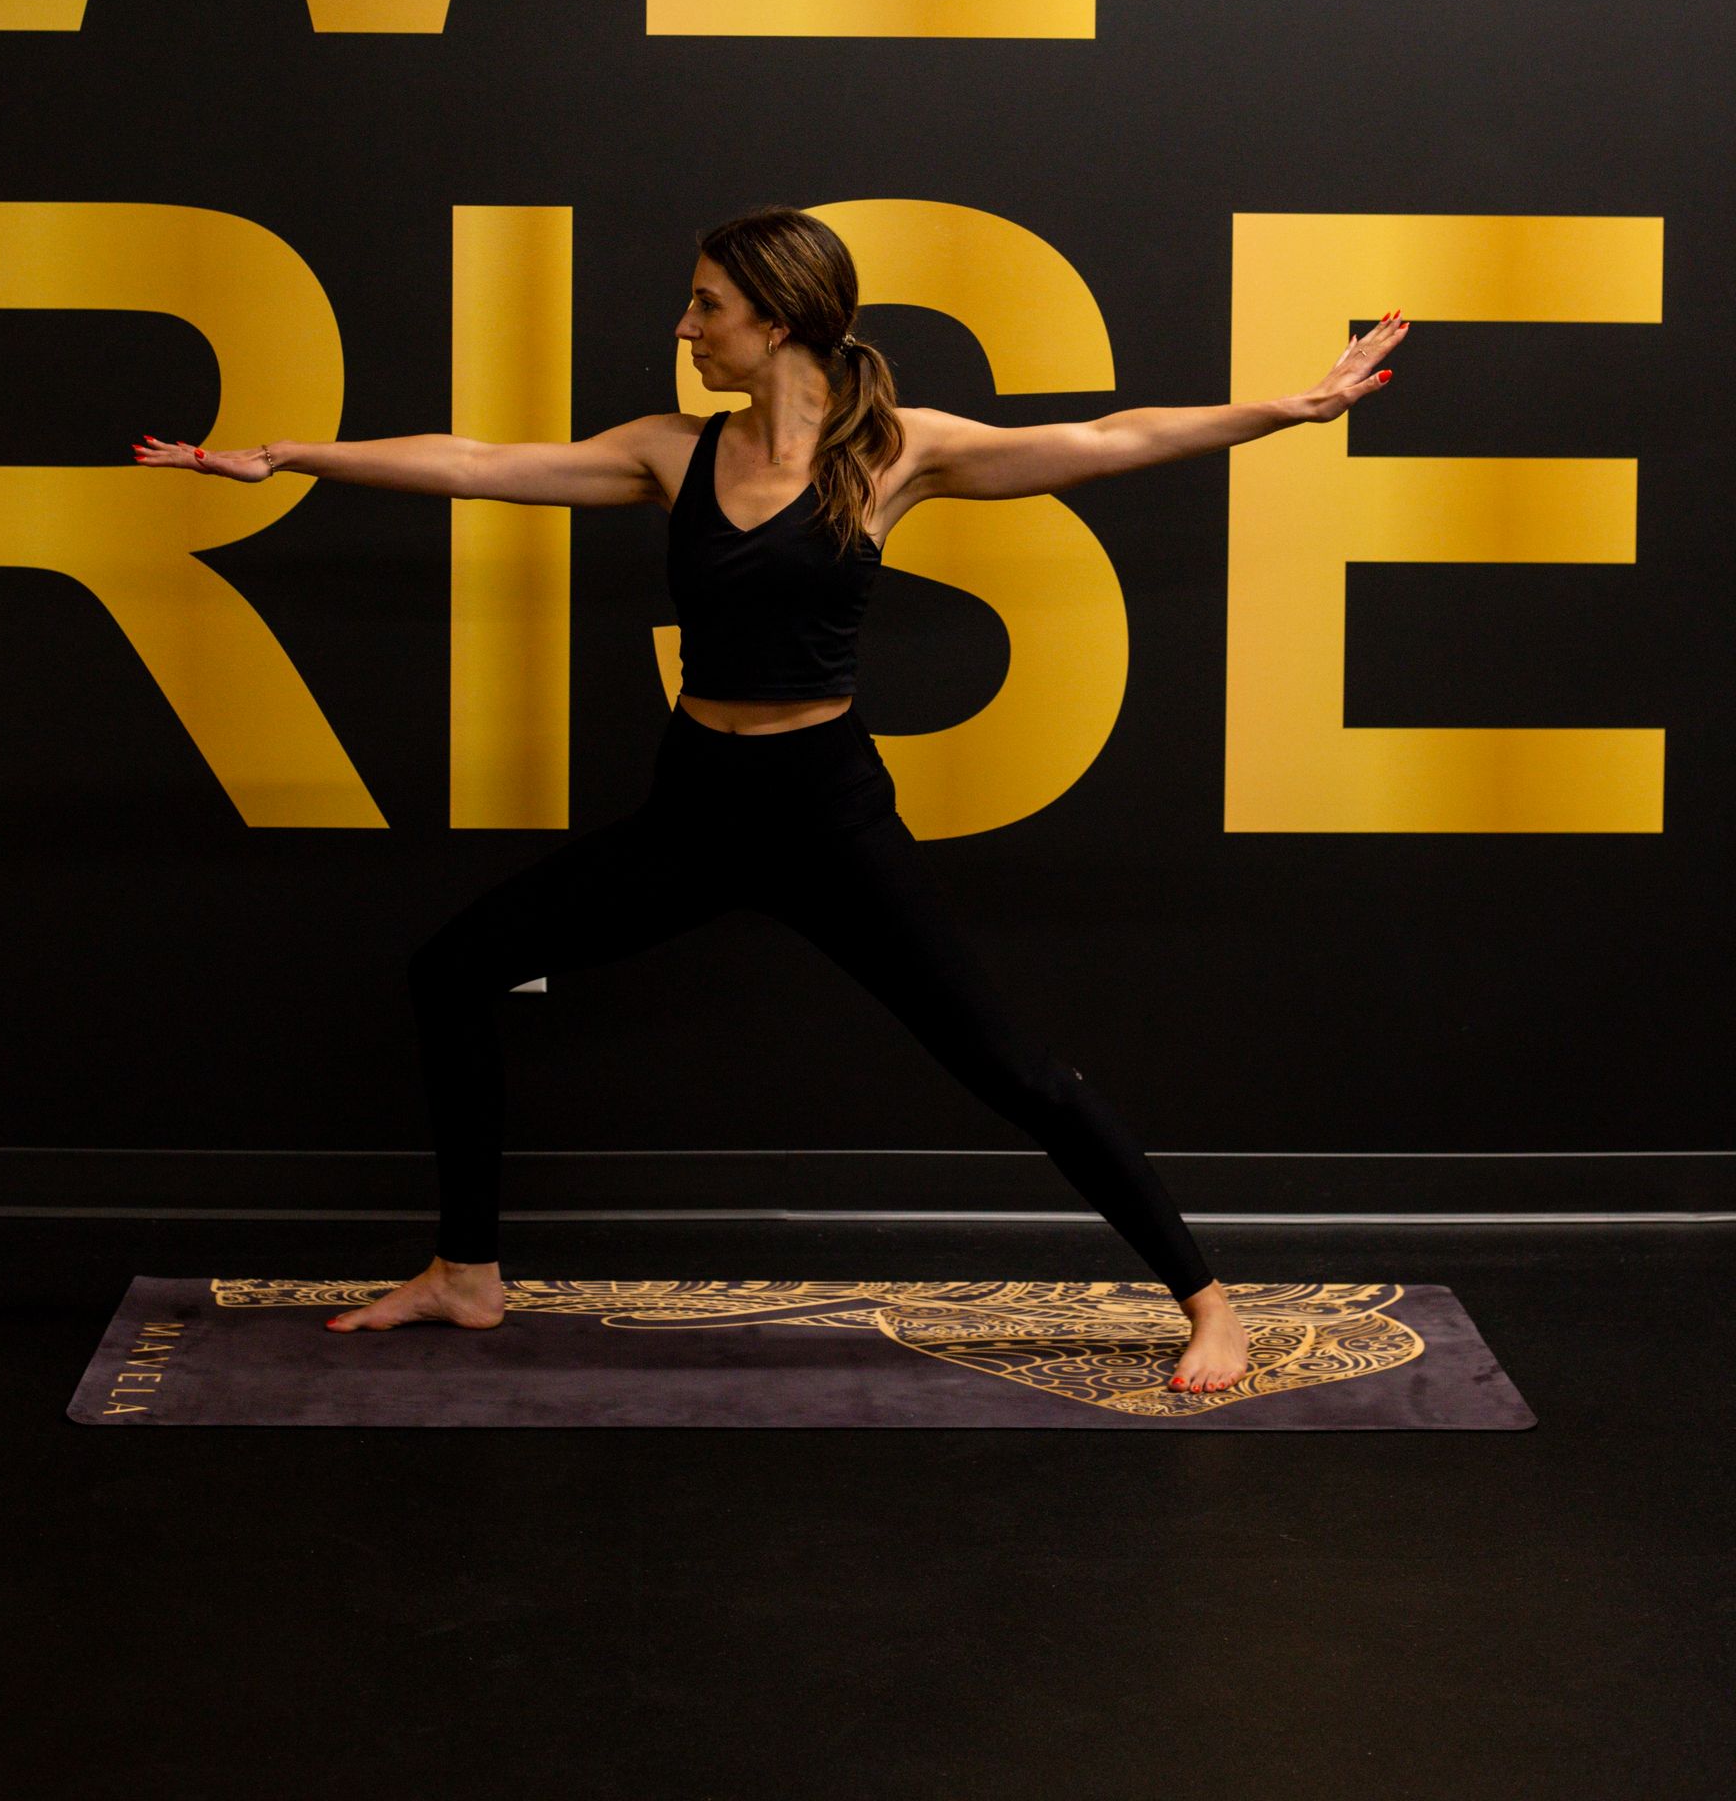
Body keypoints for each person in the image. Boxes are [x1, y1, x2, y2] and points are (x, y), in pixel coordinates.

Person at [135, 206, 1405, 1393]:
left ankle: (1206, 1299)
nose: (686, 330)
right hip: (695, 804)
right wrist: (296, 454)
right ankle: (465, 1273)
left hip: (823, 811)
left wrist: (1290, 408)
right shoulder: (666, 452)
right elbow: (478, 463)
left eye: (706, 307)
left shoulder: (897, 451)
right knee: (453, 969)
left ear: (779, 318)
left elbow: (1112, 437)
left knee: (1007, 1066)